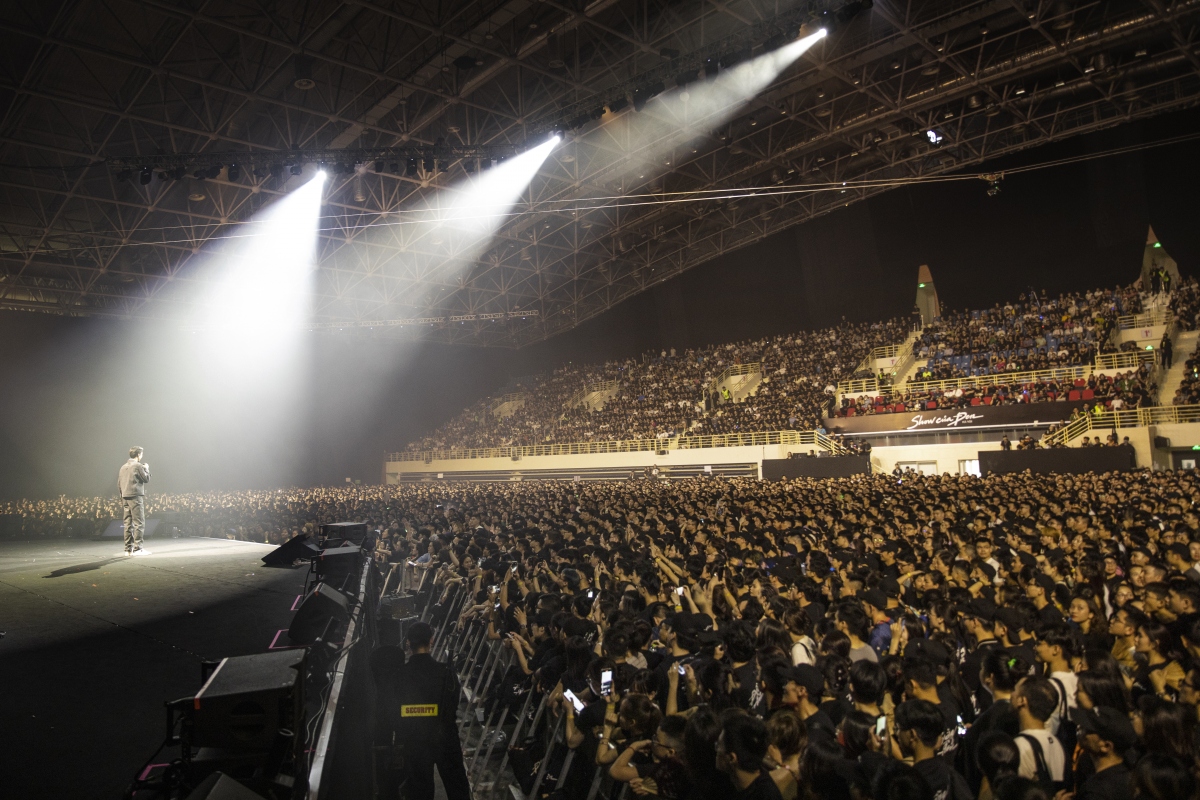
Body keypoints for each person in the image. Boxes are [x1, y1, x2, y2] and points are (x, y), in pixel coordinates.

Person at [393, 621, 472, 800]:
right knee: (457, 789)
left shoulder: (400, 675)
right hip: (445, 736)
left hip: (415, 740)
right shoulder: (445, 672)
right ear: (432, 640)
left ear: (408, 643)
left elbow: (397, 711)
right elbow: (453, 706)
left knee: (419, 792)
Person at [118, 446, 151, 556]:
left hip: (125, 496)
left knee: (127, 523)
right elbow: (146, 479)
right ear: (138, 455)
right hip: (135, 496)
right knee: (139, 522)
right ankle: (138, 548)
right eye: (141, 454)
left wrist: (122, 495)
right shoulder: (138, 466)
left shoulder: (123, 467)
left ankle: (128, 549)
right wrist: (146, 468)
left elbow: (119, 483)